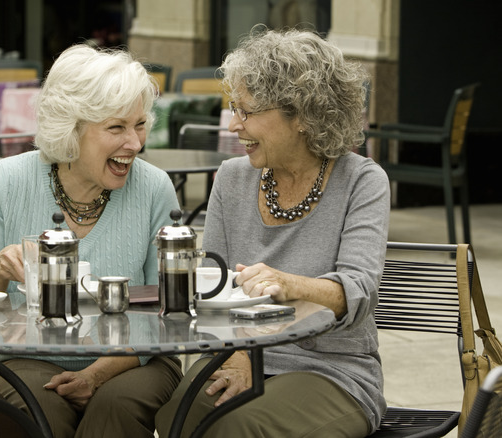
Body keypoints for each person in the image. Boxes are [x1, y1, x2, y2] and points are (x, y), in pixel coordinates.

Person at [155, 27, 390, 437]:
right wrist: (238, 353)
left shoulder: (362, 181)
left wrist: (290, 283)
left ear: (300, 114)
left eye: (246, 111)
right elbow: (212, 287)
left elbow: (358, 290)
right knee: (176, 418)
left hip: (333, 371)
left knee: (238, 428)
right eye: (233, 109)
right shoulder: (231, 178)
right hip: (239, 356)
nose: (233, 125)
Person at [0, 44, 183, 438]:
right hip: (27, 355)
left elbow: (169, 314)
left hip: (136, 359)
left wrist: (98, 373)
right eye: (116, 128)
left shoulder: (154, 188)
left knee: (113, 409)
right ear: (70, 127)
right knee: (39, 409)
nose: (134, 143)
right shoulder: (6, 182)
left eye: (139, 125)